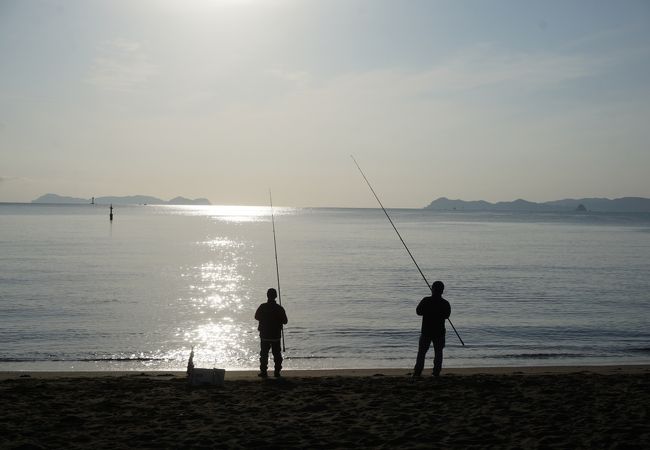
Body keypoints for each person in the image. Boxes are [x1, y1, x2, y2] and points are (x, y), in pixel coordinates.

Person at [413, 280, 451, 378]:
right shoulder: (445, 303)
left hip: (427, 331)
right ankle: (436, 372)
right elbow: (446, 316)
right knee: (438, 353)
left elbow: (418, 312)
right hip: (439, 332)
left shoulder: (426, 300)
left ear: (432, 289)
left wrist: (428, 311)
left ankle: (417, 372)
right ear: (442, 291)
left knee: (422, 352)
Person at [254, 288, 288, 378]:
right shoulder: (279, 308)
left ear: (267, 296)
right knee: (277, 354)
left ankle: (264, 372)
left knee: (264, 354)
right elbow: (285, 321)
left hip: (264, 335)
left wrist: (264, 319)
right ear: (276, 296)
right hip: (275, 335)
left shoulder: (262, 307)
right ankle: (277, 372)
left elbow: (256, 317)